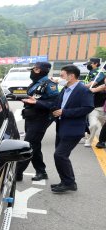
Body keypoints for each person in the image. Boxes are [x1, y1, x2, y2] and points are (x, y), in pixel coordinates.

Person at [24, 65, 94, 193]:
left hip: (73, 128)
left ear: (71, 76)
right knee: (60, 156)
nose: (59, 78)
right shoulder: (65, 89)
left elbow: (88, 108)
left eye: (62, 76)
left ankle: (69, 182)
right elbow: (56, 105)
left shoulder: (83, 90)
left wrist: (64, 112)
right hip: (62, 127)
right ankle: (67, 182)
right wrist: (36, 102)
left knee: (60, 155)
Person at [17, 61, 60, 182]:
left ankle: (17, 172)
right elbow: (34, 97)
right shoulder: (36, 83)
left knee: (28, 145)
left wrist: (36, 103)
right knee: (35, 145)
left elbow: (54, 103)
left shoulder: (49, 84)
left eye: (35, 69)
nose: (32, 72)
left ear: (43, 71)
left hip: (41, 119)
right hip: (31, 117)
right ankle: (41, 171)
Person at [84, 58, 106, 148]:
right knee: (93, 125)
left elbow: (94, 84)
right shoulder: (101, 86)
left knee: (104, 127)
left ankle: (102, 141)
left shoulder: (99, 73)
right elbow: (94, 87)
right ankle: (89, 140)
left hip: (104, 110)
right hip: (94, 107)